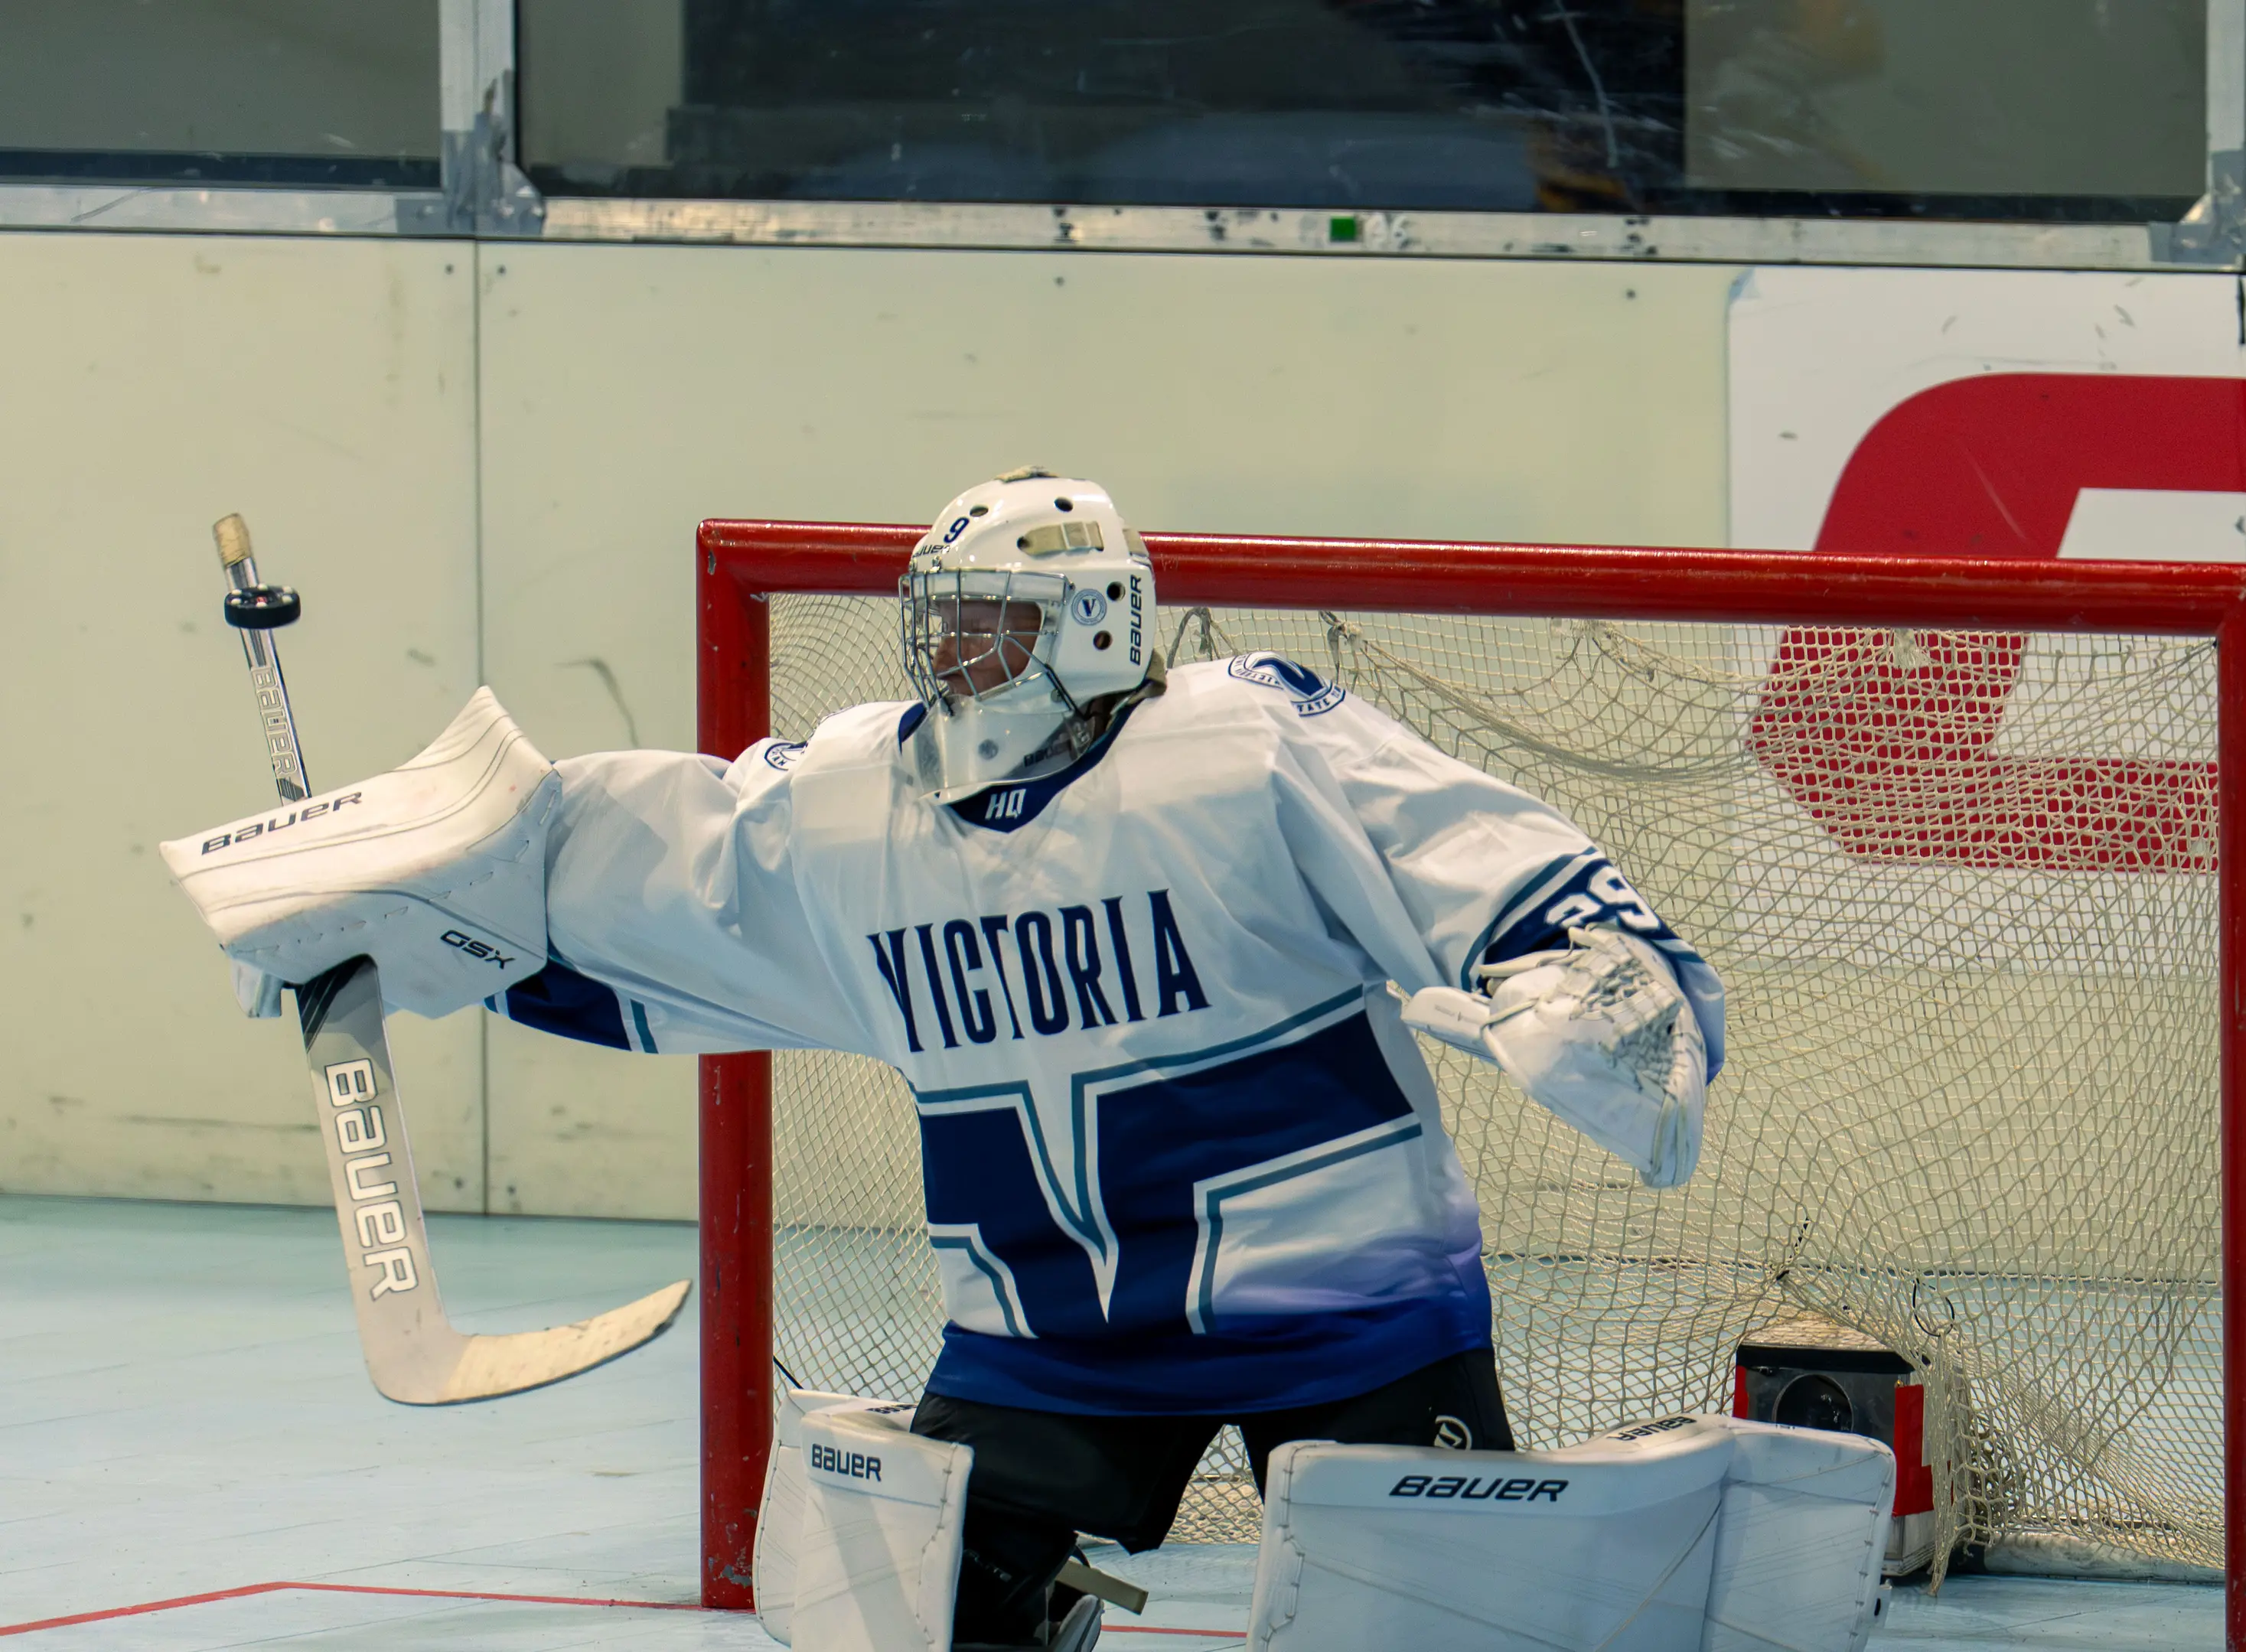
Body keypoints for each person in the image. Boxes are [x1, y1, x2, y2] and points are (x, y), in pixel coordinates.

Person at [170, 471, 1722, 1652]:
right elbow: (663, 893)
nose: (949, 658)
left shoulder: (1250, 749)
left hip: (1354, 1315)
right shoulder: (860, 811)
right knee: (931, 1619)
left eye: (990, 626)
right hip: (1049, 1335)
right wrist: (415, 908)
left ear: (1097, 624)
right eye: (940, 622)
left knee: (1444, 1626)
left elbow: (1504, 870)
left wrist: (1596, 990)